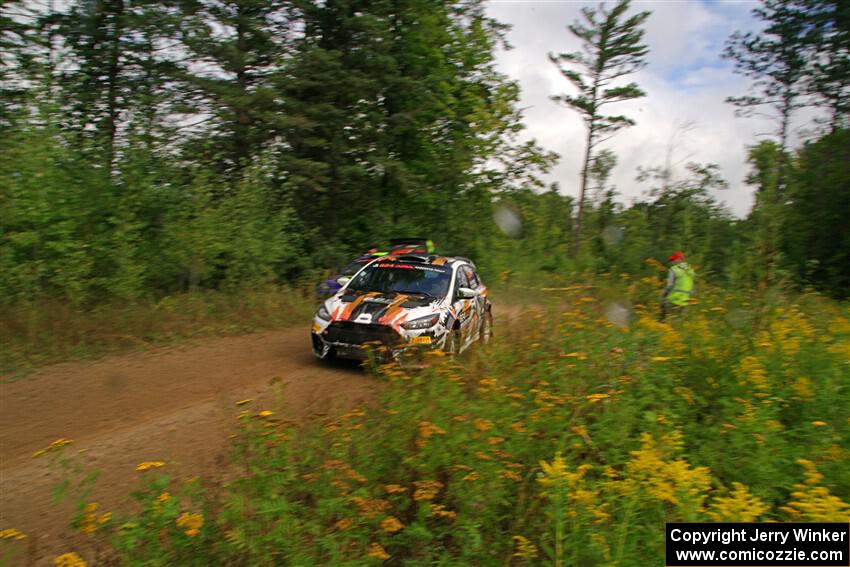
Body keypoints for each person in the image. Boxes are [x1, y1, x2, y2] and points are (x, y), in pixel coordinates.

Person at [660, 251, 695, 322]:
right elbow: (692, 285)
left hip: (674, 298)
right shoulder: (690, 270)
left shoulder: (673, 269)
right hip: (686, 300)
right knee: (679, 322)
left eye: (673, 260)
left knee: (663, 301)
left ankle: (662, 321)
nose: (672, 262)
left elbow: (669, 285)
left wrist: (664, 294)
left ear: (679, 260)